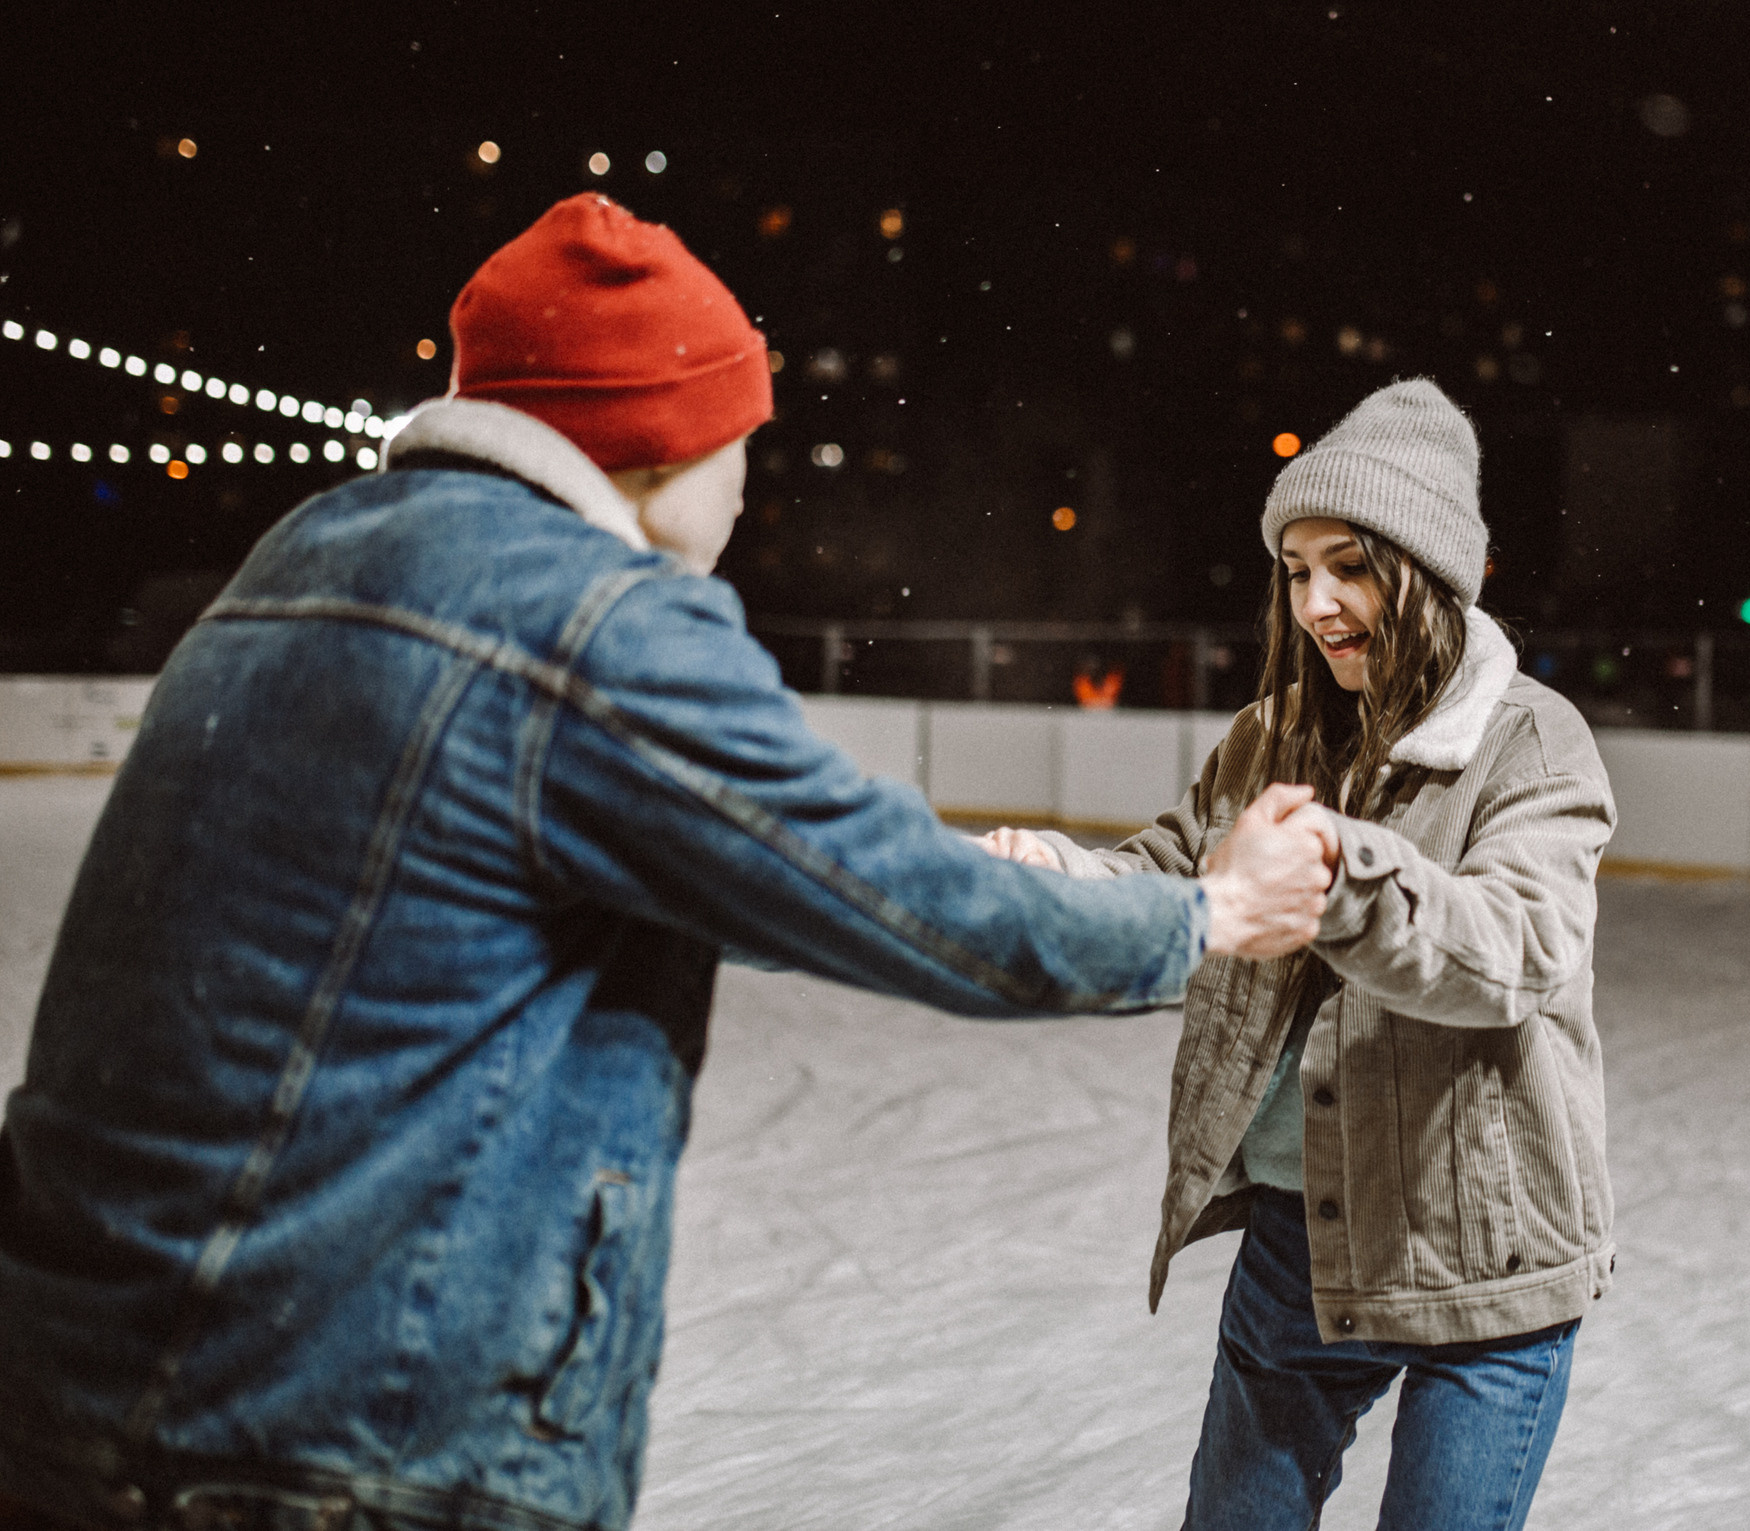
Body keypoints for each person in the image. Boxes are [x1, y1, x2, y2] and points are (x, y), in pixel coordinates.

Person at [0, 194, 1335, 1531]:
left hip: (74, 1379)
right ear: (661, 442)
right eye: (743, 445)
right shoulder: (595, 622)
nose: (748, 489)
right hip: (348, 1429)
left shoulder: (303, 560)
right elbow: (901, 903)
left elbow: (723, 865)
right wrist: (1210, 911)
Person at [982, 380, 1618, 1530]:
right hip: (1305, 1237)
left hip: (1487, 1260)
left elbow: (1515, 951)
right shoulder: (1272, 735)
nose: (1317, 603)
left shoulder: (1530, 741)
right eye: (1295, 570)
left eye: (1351, 567)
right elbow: (1173, 881)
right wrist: (1053, 881)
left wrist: (1337, 871)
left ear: (1428, 575)